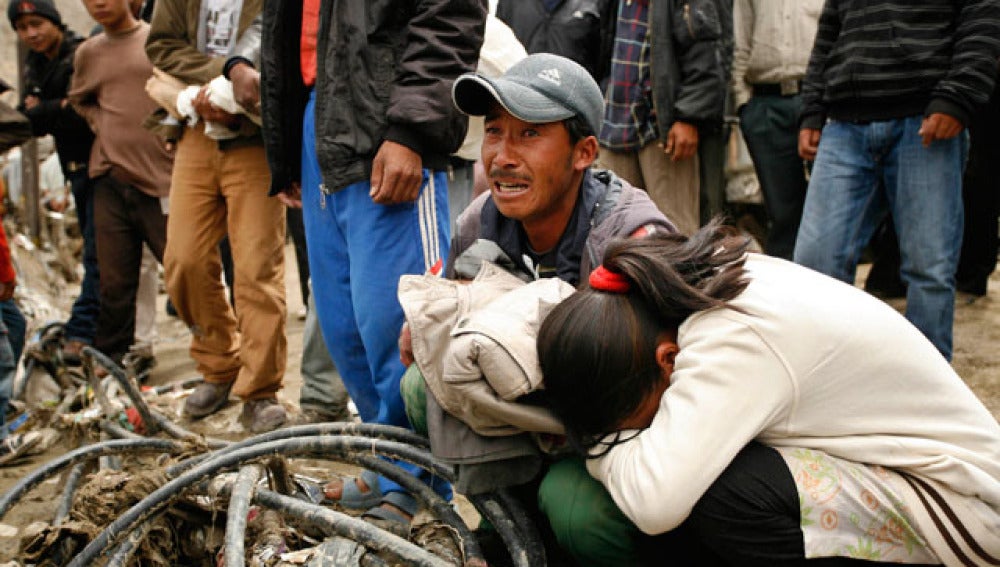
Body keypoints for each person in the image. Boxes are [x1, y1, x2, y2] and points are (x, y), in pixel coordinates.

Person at [536, 222, 1000, 566]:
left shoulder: (732, 336)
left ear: (667, 361)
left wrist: (594, 446)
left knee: (722, 493)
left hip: (960, 505)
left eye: (627, 421)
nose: (631, 432)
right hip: (894, 468)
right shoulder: (690, 290)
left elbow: (655, 504)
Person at [397, 53, 676, 561]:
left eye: (530, 135)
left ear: (583, 153)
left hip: (609, 433)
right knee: (421, 387)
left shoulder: (632, 241)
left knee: (575, 510)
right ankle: (511, 525)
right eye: (496, 131)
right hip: (529, 417)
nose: (502, 156)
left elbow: (663, 397)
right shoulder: (480, 221)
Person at [259, 0, 487, 523]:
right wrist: (288, 146)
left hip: (386, 118)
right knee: (344, 327)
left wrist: (411, 131)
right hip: (320, 120)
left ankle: (420, 485)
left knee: (398, 325)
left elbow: (449, 15)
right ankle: (386, 463)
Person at [793, 0, 1000, 361]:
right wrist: (812, 110)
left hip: (924, 120)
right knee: (815, 263)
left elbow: (983, 16)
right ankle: (825, 376)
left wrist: (958, 97)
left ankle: (926, 393)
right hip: (844, 122)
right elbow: (829, 33)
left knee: (929, 268)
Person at [146, 0, 289, 432]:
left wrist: (234, 85)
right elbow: (162, 46)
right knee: (183, 260)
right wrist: (216, 83)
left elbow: (282, 45)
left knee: (256, 268)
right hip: (196, 134)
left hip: (256, 138)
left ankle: (260, 391)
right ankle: (219, 365)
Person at [69, 0, 172, 372]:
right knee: (114, 277)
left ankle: (219, 355)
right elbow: (80, 98)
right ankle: (112, 360)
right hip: (109, 176)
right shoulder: (89, 53)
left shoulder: (157, 40)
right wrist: (103, 124)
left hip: (160, 175)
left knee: (182, 270)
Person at [8, 0, 98, 366]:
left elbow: (79, 112)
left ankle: (85, 330)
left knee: (100, 254)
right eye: (23, 27)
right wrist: (52, 108)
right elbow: (30, 120)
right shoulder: (38, 62)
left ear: (55, 22)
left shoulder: (79, 55)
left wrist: (48, 107)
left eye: (37, 24)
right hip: (75, 167)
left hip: (103, 166)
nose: (31, 33)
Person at [597, 0, 729, 236]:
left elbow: (705, 56)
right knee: (612, 230)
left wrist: (688, 116)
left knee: (673, 232)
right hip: (613, 125)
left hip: (661, 128)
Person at [731, 0, 822, 260]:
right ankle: (788, 290)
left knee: (828, 210)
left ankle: (829, 286)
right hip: (765, 103)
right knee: (782, 211)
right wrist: (743, 105)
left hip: (818, 99)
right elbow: (739, 42)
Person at [495, 0, 615, 85]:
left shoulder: (597, 4)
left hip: (571, 105)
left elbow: (607, 61)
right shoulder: (510, 3)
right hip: (518, 99)